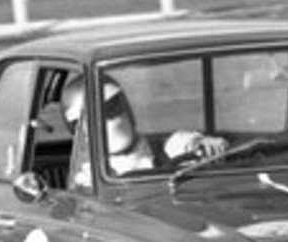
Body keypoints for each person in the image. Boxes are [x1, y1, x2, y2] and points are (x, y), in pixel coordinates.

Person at [61, 77, 226, 186]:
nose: (116, 115)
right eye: (106, 111)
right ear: (81, 128)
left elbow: (184, 143)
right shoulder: (87, 173)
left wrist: (202, 144)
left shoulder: (162, 148)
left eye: (115, 105)